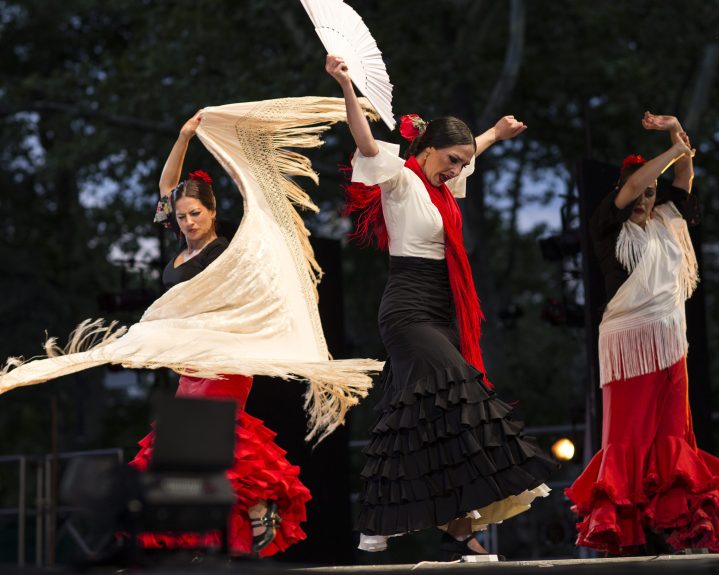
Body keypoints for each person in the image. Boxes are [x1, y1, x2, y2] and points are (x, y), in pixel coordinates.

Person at [326, 54, 556, 559]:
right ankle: (411, 520)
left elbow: (473, 155)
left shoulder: (442, 188)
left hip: (442, 308)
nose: (457, 168)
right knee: (459, 392)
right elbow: (365, 143)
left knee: (428, 416)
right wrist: (346, 84)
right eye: (451, 159)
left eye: (463, 162)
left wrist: (493, 133)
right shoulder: (403, 182)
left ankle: (447, 527)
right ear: (425, 149)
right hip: (407, 308)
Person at [566, 112, 719, 554]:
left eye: (652, 194)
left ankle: (679, 519)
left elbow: (683, 178)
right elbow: (637, 185)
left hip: (671, 340)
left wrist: (679, 134)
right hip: (628, 343)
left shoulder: (666, 221)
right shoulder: (608, 224)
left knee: (672, 435)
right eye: (639, 191)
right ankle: (623, 525)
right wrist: (672, 151)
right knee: (626, 436)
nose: (644, 199)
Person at [129, 114, 312, 558]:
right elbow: (166, 186)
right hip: (191, 364)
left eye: (196, 214)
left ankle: (257, 505)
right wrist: (184, 135)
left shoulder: (225, 252)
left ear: (212, 212)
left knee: (211, 437)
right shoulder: (181, 247)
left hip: (224, 359)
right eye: (183, 215)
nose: (188, 221)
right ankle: (208, 537)